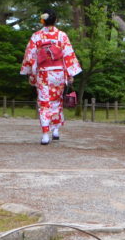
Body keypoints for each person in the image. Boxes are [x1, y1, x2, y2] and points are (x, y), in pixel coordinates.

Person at [20, 8, 82, 145]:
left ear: (43, 20)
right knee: (57, 100)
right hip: (58, 73)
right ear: (56, 20)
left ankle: (45, 134)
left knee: (44, 103)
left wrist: (30, 73)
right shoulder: (62, 36)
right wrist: (70, 74)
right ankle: (55, 130)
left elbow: (30, 56)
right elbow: (68, 55)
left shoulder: (36, 36)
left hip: (43, 73)